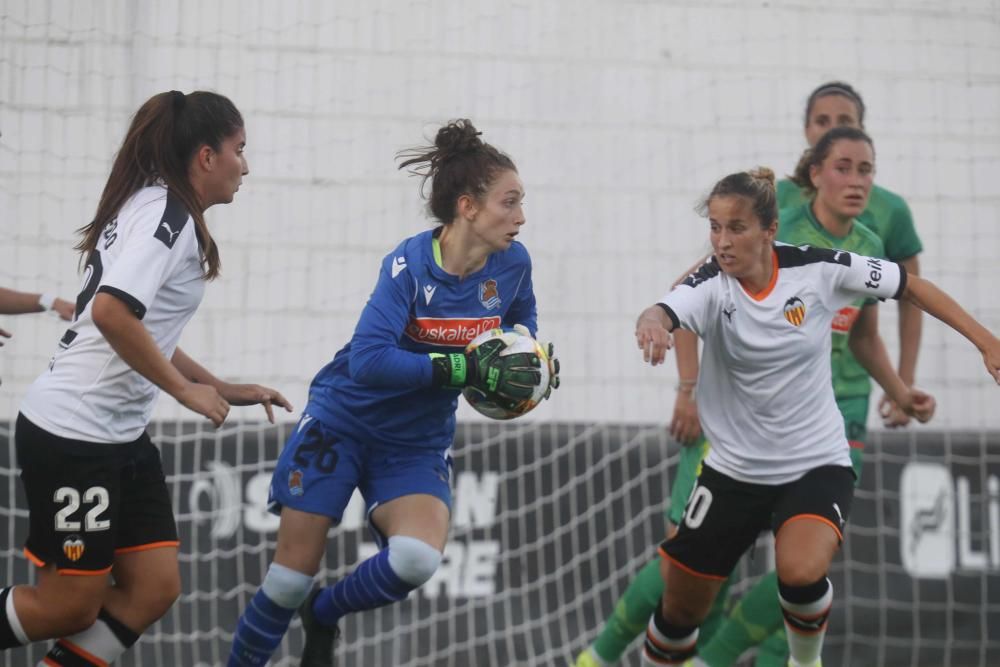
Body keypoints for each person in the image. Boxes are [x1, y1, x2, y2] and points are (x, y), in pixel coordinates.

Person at [574, 80, 927, 667]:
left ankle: (737, 659)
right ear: (813, 156)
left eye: (848, 127)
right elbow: (689, 292)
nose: (849, 167)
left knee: (802, 570)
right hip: (735, 425)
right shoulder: (769, 217)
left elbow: (875, 323)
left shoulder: (878, 226)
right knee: (688, 569)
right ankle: (600, 655)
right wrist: (686, 388)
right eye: (822, 125)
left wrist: (901, 387)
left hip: (834, 420)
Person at [633, 167, 998, 667]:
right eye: (714, 228)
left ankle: (805, 662)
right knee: (678, 613)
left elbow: (912, 286)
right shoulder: (711, 285)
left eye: (735, 227)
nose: (722, 241)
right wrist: (652, 323)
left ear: (769, 229)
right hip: (733, 470)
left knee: (801, 572)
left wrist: (987, 343)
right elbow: (663, 310)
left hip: (814, 462)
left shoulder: (821, 269)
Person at [227, 119, 559, 667]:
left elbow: (519, 324)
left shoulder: (514, 263)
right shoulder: (407, 265)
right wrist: (465, 368)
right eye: (511, 202)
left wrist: (533, 367)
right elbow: (370, 360)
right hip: (343, 421)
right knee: (286, 582)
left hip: (415, 440)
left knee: (414, 562)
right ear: (468, 207)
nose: (521, 217)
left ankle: (326, 612)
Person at [0, 90, 292, 667]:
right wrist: (184, 392)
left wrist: (219, 383)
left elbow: (144, 325)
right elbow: (111, 313)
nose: (247, 165)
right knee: (69, 607)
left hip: (119, 438)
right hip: (74, 436)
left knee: (155, 587)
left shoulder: (157, 203)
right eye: (240, 149)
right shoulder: (169, 215)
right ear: (206, 157)